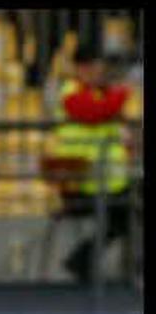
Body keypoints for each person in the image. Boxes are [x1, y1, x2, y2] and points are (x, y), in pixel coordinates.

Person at [50, 44, 135, 284]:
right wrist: (123, 93)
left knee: (129, 212)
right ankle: (84, 261)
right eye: (98, 68)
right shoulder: (70, 93)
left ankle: (82, 261)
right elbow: (94, 113)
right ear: (82, 68)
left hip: (107, 182)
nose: (102, 73)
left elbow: (115, 128)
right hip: (79, 184)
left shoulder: (100, 92)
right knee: (128, 214)